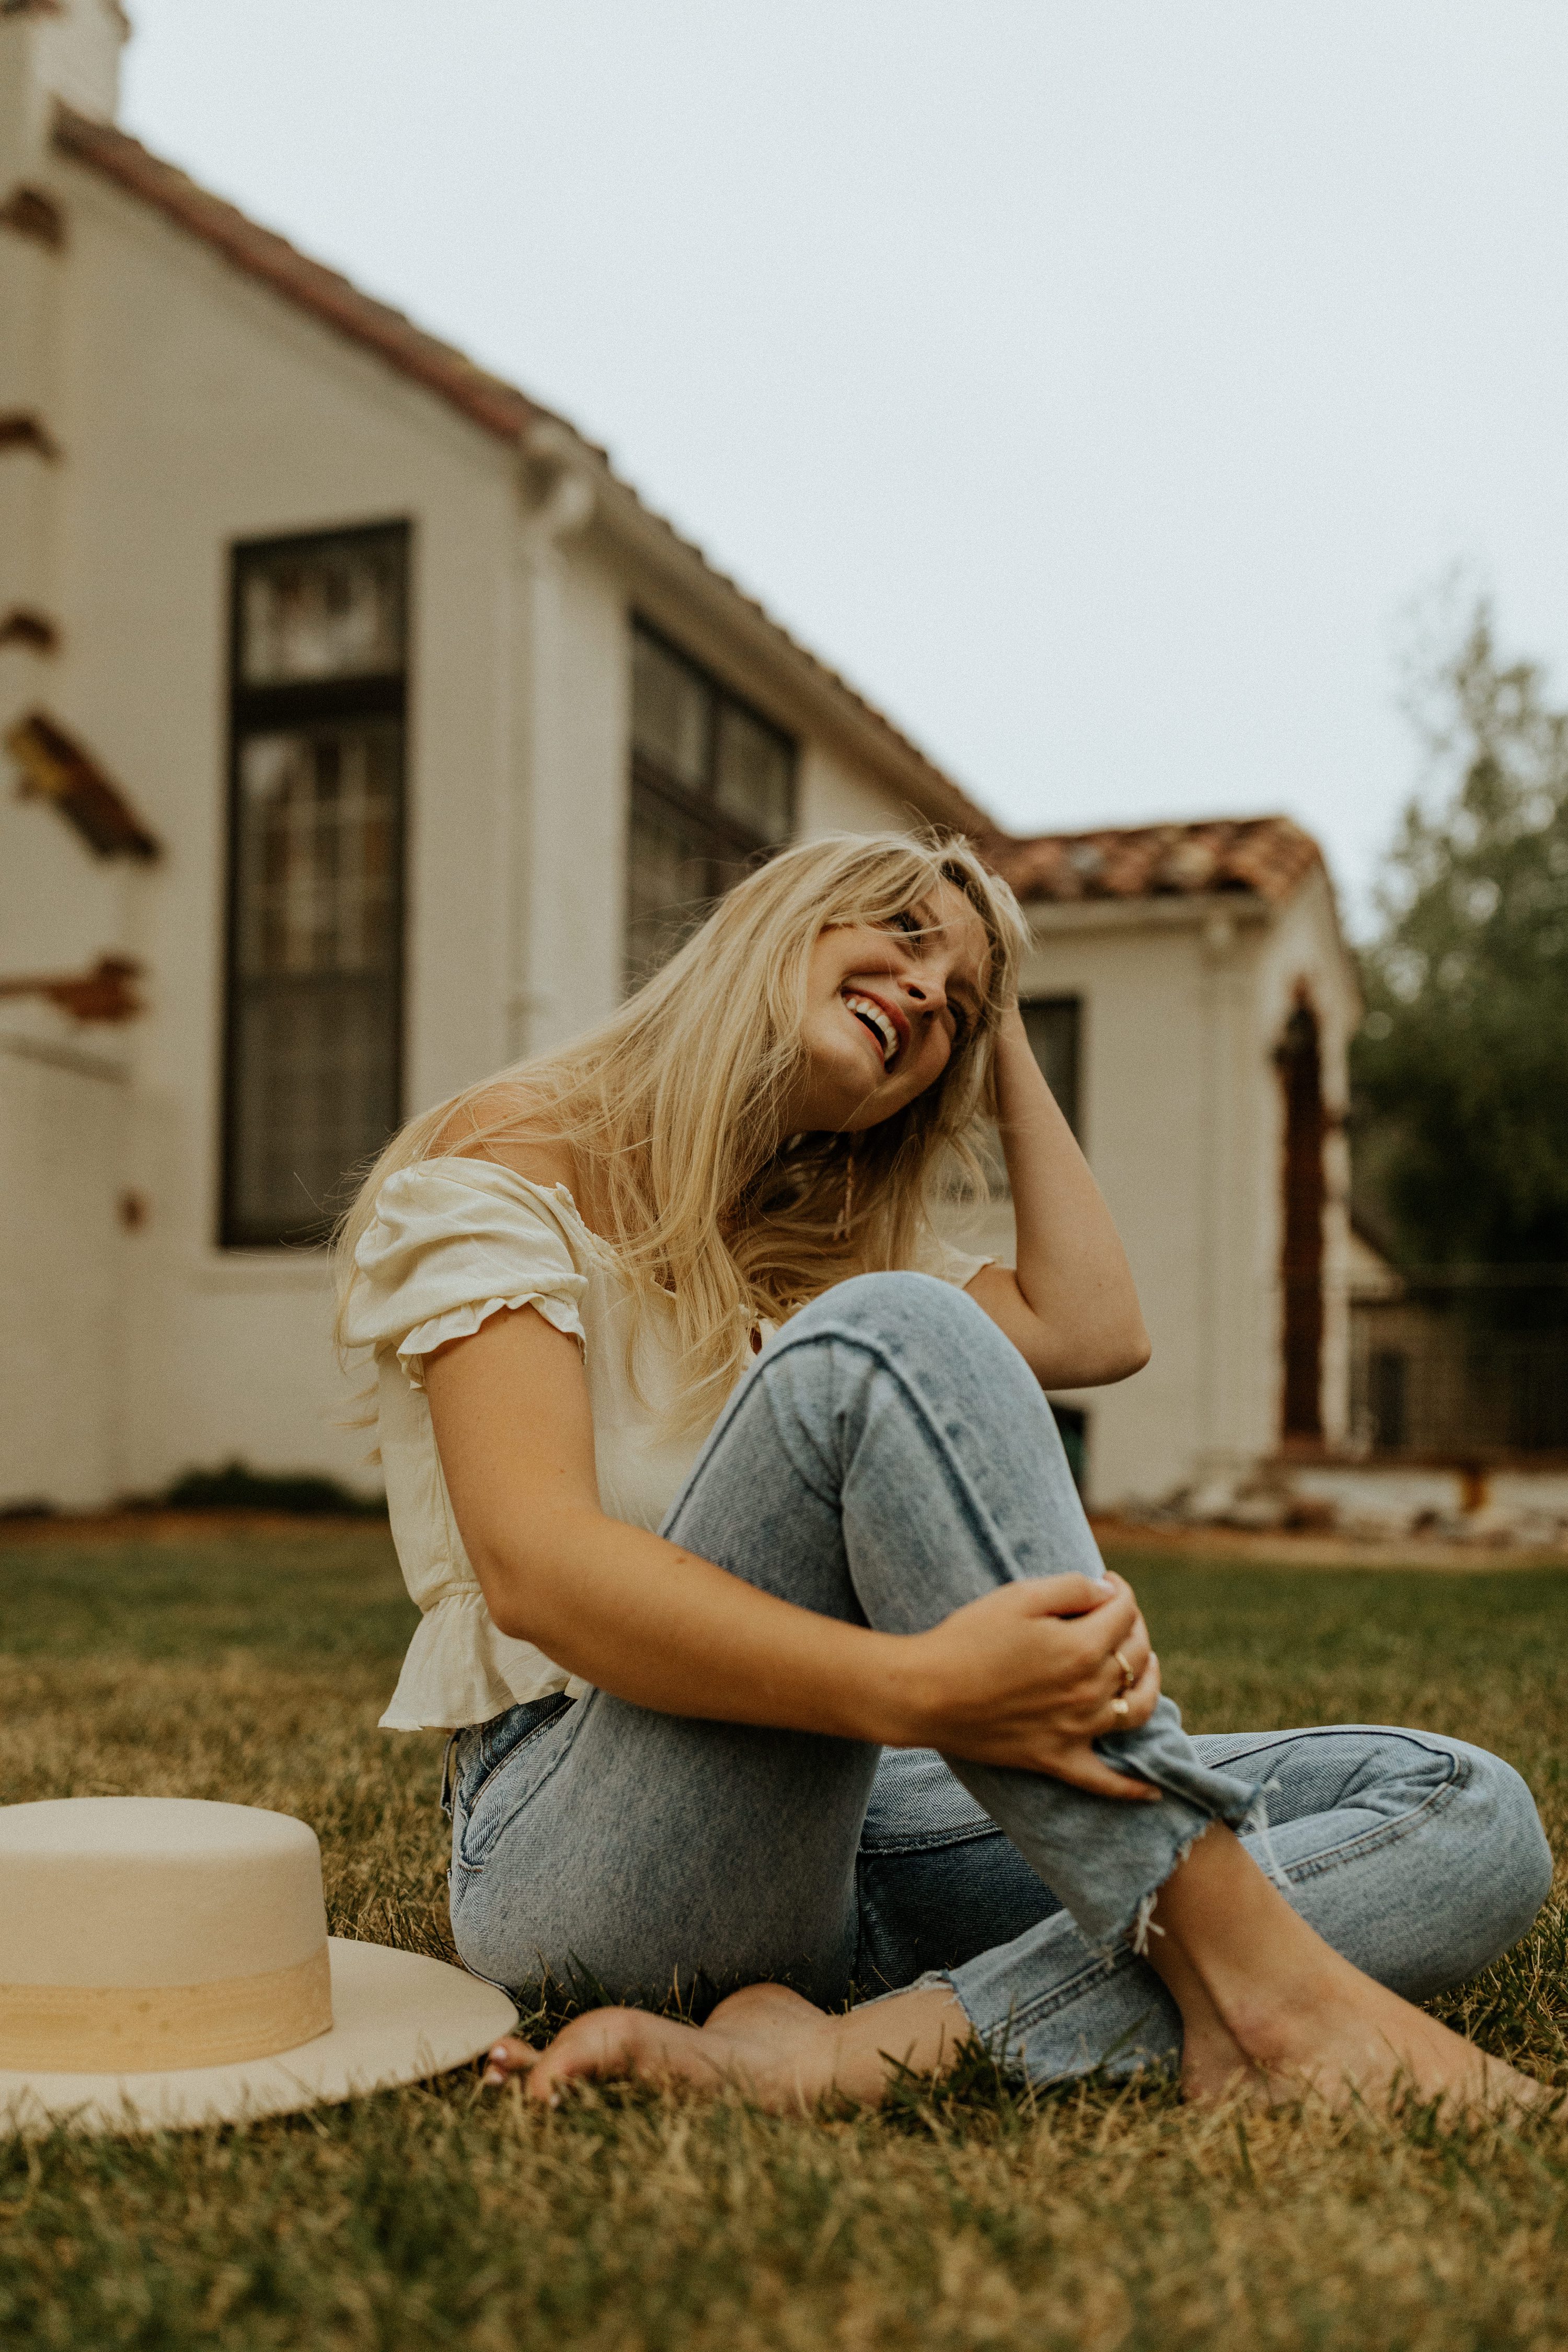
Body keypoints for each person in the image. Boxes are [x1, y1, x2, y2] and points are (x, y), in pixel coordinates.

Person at [336, 831, 1553, 2116]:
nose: (926, 992)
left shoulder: (817, 1248)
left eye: (954, 1007)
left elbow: (1095, 1329)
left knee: (1465, 1811)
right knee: (902, 1335)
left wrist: (1000, 1020)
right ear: (780, 925)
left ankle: (846, 2053)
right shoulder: (519, 1150)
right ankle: (1264, 1993)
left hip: (851, 1817)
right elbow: (540, 1569)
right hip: (587, 1835)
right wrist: (925, 1691)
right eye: (903, 936)